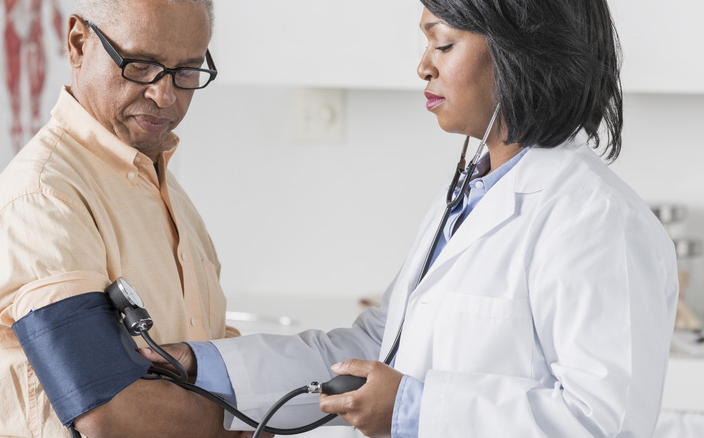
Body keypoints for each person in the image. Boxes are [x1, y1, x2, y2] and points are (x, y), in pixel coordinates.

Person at [142, 0, 679, 437]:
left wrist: (414, 409)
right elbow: (378, 348)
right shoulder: (472, 195)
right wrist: (199, 364)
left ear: (520, 53)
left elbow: (603, 423)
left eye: (443, 42)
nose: (424, 65)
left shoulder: (596, 218)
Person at [0, 1, 247, 437]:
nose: (164, 95)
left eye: (186, 71)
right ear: (78, 44)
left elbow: (213, 355)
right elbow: (113, 414)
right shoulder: (43, 200)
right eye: (141, 65)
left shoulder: (161, 187)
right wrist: (248, 416)